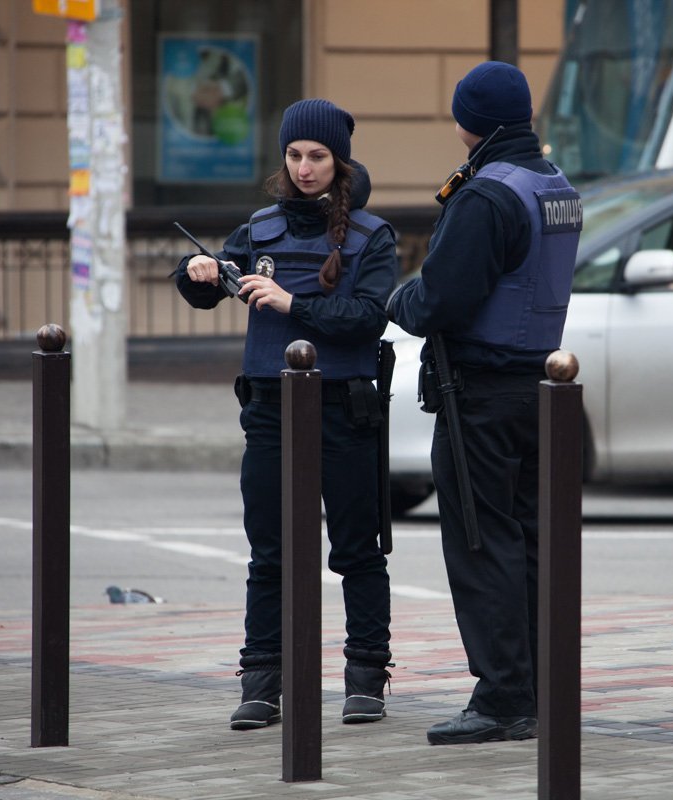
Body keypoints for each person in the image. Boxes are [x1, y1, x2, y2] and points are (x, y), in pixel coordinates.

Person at [174, 98, 398, 729]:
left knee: (356, 550)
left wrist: (290, 302)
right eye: (295, 155)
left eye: (318, 156)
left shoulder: (371, 237)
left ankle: (366, 679)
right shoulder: (259, 228)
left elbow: (366, 318)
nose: (305, 168)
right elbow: (212, 286)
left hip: (343, 410)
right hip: (270, 409)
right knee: (268, 553)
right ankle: (261, 683)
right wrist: (198, 272)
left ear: (339, 162)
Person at [387, 61, 582, 745]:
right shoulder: (554, 185)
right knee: (528, 541)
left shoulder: (487, 196)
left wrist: (400, 298)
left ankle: (503, 698)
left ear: (473, 121)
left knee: (483, 542)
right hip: (541, 386)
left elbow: (440, 297)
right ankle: (538, 688)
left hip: (483, 392)